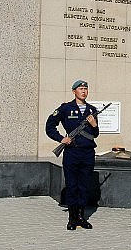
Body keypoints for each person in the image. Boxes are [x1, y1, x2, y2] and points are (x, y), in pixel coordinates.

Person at [46, 80, 99, 230]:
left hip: (88, 153)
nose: (84, 91)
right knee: (72, 186)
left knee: (84, 186)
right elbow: (50, 125)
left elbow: (95, 134)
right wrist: (61, 139)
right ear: (74, 91)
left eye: (86, 89)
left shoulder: (92, 110)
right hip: (72, 153)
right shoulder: (65, 108)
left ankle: (81, 217)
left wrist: (94, 124)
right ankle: (72, 218)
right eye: (81, 89)